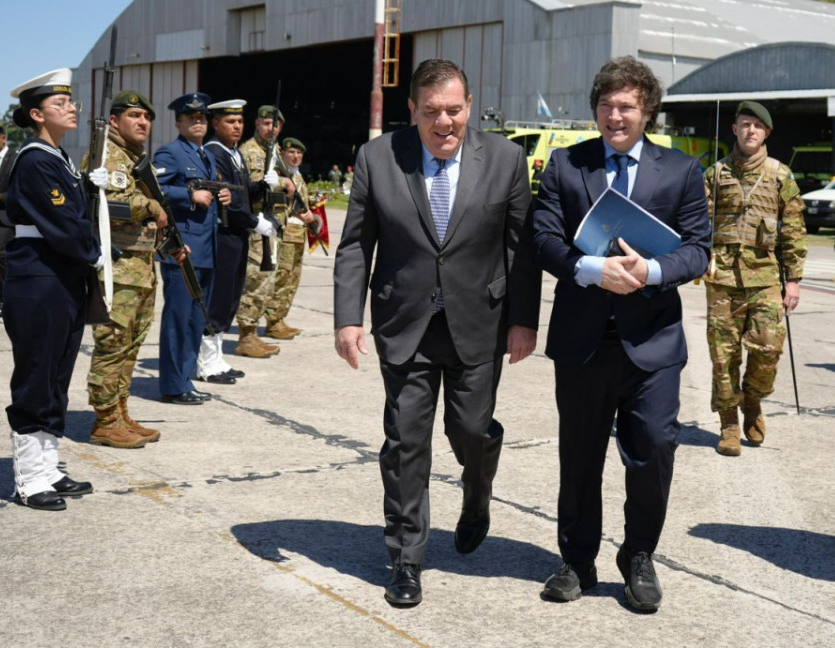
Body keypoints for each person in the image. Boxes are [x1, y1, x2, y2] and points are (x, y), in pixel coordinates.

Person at [333, 58, 540, 608]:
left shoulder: (506, 159)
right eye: (431, 113)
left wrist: (524, 321)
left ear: (469, 107)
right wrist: (348, 317)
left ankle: (477, 496)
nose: (444, 123)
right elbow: (355, 243)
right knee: (405, 442)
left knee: (470, 431)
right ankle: (405, 557)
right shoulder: (378, 158)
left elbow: (521, 248)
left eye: (454, 111)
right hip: (405, 324)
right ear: (413, 112)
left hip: (479, 323)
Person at [532, 56, 710, 612]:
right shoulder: (566, 165)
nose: (615, 115)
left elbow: (698, 249)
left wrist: (651, 272)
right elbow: (543, 237)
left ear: (647, 111)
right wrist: (590, 269)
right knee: (580, 454)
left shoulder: (681, 171)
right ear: (596, 110)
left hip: (652, 341)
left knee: (654, 449)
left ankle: (638, 556)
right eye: (606, 106)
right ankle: (577, 559)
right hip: (584, 340)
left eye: (627, 106)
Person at [3, 68, 108, 510]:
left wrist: (84, 185)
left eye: (72, 103)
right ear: (36, 114)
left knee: (57, 376)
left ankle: (48, 466)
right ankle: (29, 478)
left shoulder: (58, 158)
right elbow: (62, 221)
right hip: (40, 276)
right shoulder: (36, 158)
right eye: (59, 104)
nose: (70, 109)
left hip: (61, 275)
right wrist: (94, 251)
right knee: (37, 376)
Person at [702, 100, 805, 457]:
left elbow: (793, 229)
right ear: (734, 129)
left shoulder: (780, 175)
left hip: (764, 279)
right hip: (723, 279)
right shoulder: (715, 174)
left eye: (757, 126)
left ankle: (754, 400)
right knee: (722, 356)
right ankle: (729, 423)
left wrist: (793, 279)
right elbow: (697, 223)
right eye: (744, 124)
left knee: (768, 351)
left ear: (766, 133)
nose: (750, 131)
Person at [85, 91, 168, 447]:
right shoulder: (108, 155)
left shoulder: (134, 158)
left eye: (147, 117)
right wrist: (151, 205)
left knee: (131, 343)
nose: (143, 122)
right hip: (118, 268)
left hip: (140, 266)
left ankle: (119, 411)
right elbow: (115, 205)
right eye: (134, 115)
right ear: (115, 121)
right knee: (113, 342)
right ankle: (104, 421)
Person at [154, 92, 227, 404]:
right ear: (178, 123)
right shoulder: (170, 153)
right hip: (182, 248)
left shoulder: (205, 156)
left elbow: (209, 191)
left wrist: (224, 196)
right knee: (179, 318)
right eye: (190, 118)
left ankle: (185, 379)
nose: (197, 123)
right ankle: (173, 385)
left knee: (196, 319)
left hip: (206, 248)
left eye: (201, 118)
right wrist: (189, 195)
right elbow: (153, 188)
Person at [200, 99, 277, 377]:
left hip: (238, 235)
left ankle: (217, 357)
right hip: (224, 234)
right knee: (219, 297)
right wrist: (256, 222)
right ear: (216, 123)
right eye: (230, 121)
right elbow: (226, 200)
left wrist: (261, 186)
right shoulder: (214, 152)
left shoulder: (234, 153)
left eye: (239, 121)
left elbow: (242, 194)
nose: (236, 126)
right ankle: (206, 362)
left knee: (231, 297)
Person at [236, 105, 295, 357]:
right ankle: (246, 337)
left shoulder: (273, 152)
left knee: (267, 281)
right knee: (255, 281)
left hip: (273, 224)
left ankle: (254, 332)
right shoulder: (251, 151)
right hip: (257, 225)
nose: (271, 129)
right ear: (257, 124)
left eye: (276, 125)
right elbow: (251, 185)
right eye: (266, 123)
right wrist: (284, 183)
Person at [264, 136, 319, 340]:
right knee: (282, 277)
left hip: (298, 235)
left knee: (293, 279)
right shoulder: (280, 175)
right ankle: (272, 321)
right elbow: (273, 191)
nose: (296, 156)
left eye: (299, 153)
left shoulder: (297, 175)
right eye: (291, 153)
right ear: (283, 154)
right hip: (286, 233)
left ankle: (280, 318)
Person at [0, 123, 15, 316]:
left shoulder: (15, 159)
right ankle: (3, 300)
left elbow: (21, 190)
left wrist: (1, 197)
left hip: (6, 216)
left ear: (3, 138)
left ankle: (10, 300)